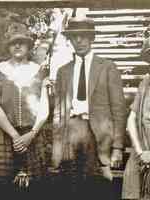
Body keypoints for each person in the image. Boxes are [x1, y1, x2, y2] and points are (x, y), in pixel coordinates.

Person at [50, 15, 127, 199]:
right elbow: (59, 112)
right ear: (69, 40)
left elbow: (119, 108)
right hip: (71, 132)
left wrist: (117, 147)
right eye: (74, 36)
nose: (79, 40)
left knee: (97, 187)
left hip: (99, 134)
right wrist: (57, 146)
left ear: (92, 38)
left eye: (84, 36)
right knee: (70, 185)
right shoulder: (63, 71)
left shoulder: (108, 67)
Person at [0, 22, 51, 200]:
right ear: (8, 47)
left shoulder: (39, 71)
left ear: (28, 45)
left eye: (22, 42)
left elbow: (44, 106)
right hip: (2, 133)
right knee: (1, 184)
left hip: (32, 134)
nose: (17, 45)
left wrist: (31, 134)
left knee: (35, 184)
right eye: (13, 43)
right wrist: (15, 136)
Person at [122, 37, 150, 200]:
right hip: (141, 152)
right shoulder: (145, 82)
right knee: (132, 179)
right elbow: (131, 119)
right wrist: (140, 153)